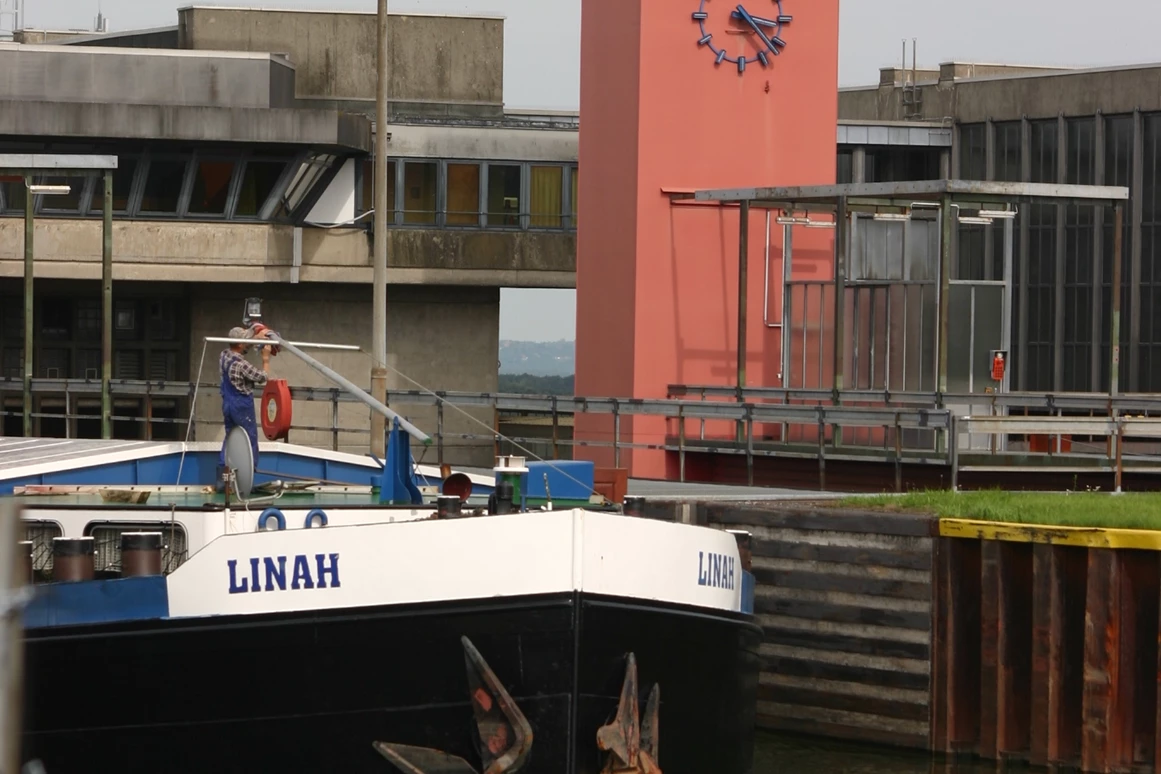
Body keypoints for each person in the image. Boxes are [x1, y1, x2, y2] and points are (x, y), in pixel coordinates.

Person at [219, 325, 273, 471]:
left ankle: (223, 478)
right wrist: (266, 358)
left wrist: (255, 339)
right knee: (250, 439)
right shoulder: (241, 364)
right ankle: (250, 474)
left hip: (227, 404)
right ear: (241, 344)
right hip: (241, 405)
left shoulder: (224, 355)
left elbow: (241, 347)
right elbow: (262, 377)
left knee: (230, 438)